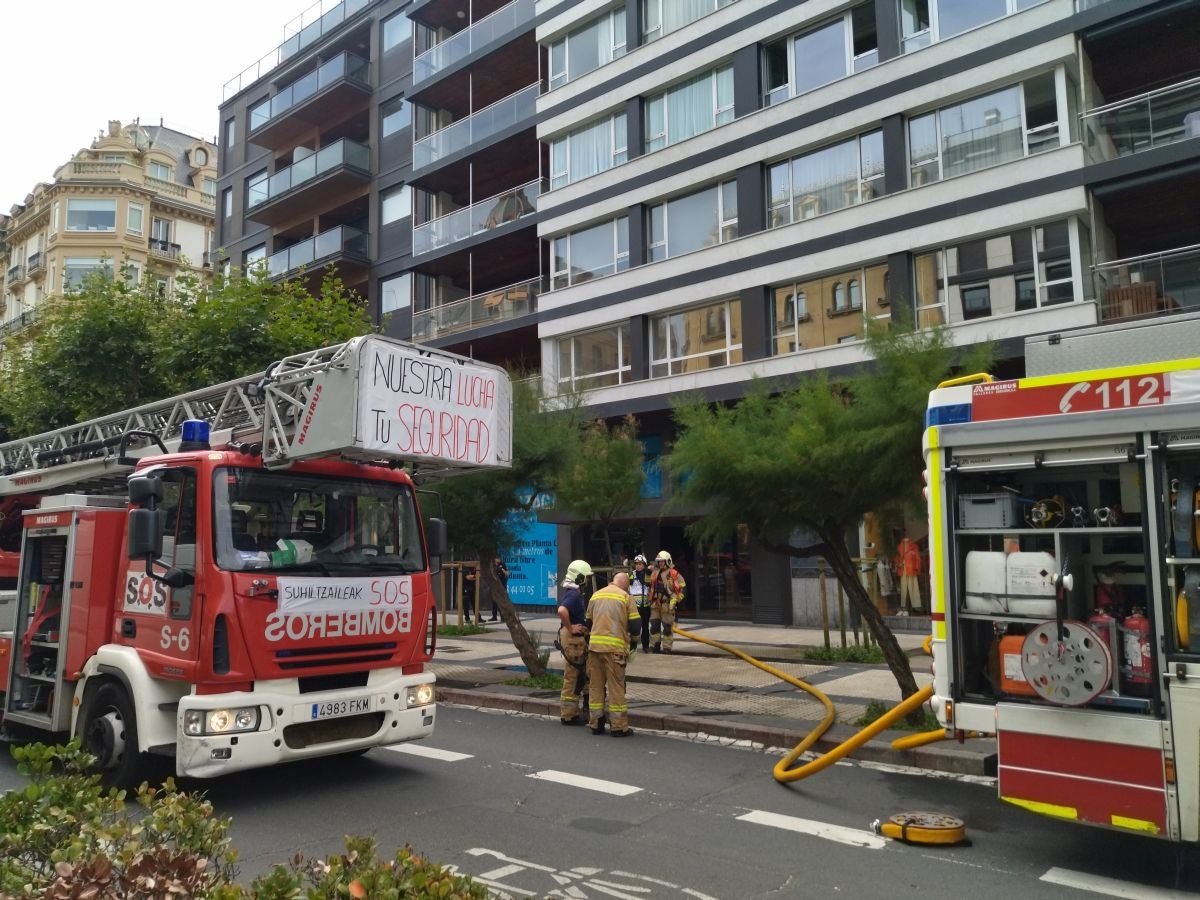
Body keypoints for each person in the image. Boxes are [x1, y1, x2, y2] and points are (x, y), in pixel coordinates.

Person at [584, 571, 640, 736]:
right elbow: (636, 627)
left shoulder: (595, 596)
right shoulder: (625, 597)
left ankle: (596, 724)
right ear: (625, 584)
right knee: (616, 688)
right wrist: (634, 644)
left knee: (595, 687)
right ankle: (618, 727)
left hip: (594, 650)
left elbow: (588, 622)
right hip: (615, 652)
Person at [556, 559, 593, 726]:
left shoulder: (574, 592)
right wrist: (571, 628)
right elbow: (562, 610)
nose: (588, 580)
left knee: (581, 675)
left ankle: (574, 712)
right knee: (572, 676)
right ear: (580, 578)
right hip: (573, 641)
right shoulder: (573, 594)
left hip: (576, 641)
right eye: (586, 577)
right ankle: (569, 715)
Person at [648, 550, 685, 653]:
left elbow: (683, 588)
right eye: (659, 561)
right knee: (654, 626)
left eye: (662, 561)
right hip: (655, 604)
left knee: (667, 628)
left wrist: (676, 601)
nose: (660, 563)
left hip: (667, 605)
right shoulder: (654, 572)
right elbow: (649, 585)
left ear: (667, 561)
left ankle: (667, 647)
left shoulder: (674, 574)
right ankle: (654, 645)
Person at [895, 535, 923, 615]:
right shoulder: (899, 547)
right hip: (903, 569)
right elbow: (897, 558)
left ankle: (916, 606)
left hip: (911, 569)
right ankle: (904, 607)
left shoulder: (914, 546)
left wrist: (917, 568)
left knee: (913, 587)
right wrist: (898, 564)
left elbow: (917, 558)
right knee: (903, 589)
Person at [489, 557, 509, 622]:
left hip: (501, 587)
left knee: (501, 603)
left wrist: (503, 570)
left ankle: (503, 617)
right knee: (494, 602)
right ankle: (494, 616)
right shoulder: (493, 566)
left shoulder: (502, 565)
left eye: (498, 559)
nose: (497, 560)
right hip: (494, 587)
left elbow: (507, 574)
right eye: (496, 559)